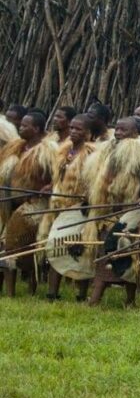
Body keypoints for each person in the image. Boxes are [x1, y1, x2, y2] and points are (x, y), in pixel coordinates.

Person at [85, 117, 140, 306]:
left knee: (126, 252)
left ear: (135, 132)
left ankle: (129, 299)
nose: (117, 132)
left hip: (130, 210)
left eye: (123, 130)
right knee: (106, 252)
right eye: (116, 128)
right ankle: (97, 297)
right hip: (109, 207)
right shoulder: (110, 148)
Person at [0, 111, 57, 297]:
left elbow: (57, 177)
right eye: (21, 125)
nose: (21, 128)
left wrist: (49, 186)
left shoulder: (48, 151)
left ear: (37, 129)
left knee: (20, 246)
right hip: (9, 203)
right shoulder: (15, 147)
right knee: (7, 246)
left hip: (35, 205)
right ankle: (9, 291)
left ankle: (30, 288)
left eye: (25, 126)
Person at [41, 113, 96, 301]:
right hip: (59, 205)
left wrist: (87, 202)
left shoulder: (91, 154)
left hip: (81, 207)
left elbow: (94, 182)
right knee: (55, 245)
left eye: (78, 129)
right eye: (71, 127)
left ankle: (81, 293)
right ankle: (52, 292)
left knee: (77, 247)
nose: (73, 131)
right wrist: (52, 186)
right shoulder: (64, 151)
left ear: (88, 132)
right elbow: (58, 177)